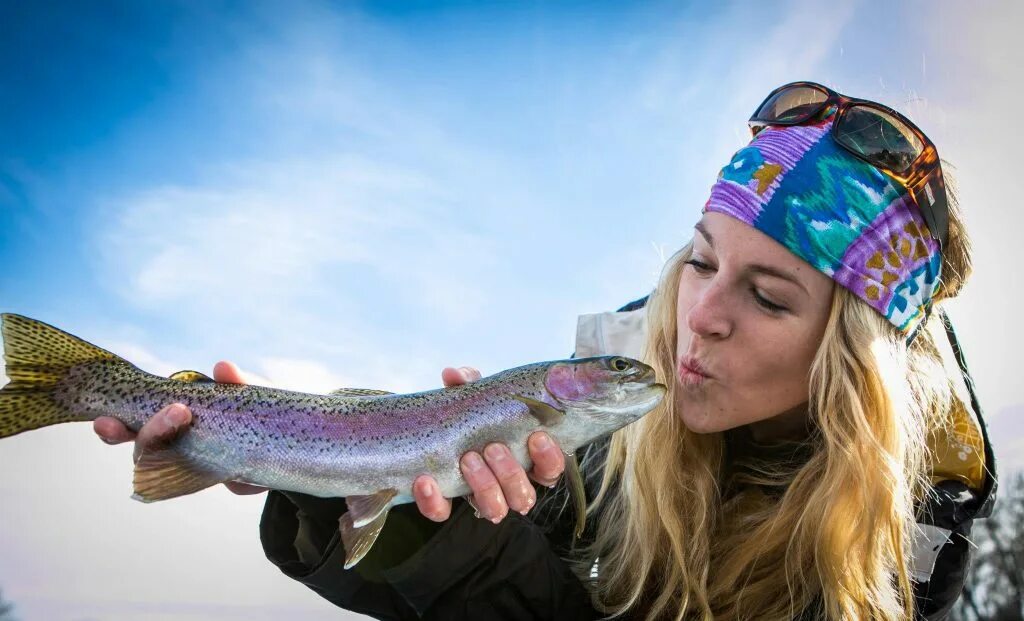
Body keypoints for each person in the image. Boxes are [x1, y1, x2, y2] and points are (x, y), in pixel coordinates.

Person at [95, 82, 996, 620]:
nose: (700, 316)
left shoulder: (899, 556)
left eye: (765, 296)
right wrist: (384, 495)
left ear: (850, 365)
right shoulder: (607, 418)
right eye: (702, 261)